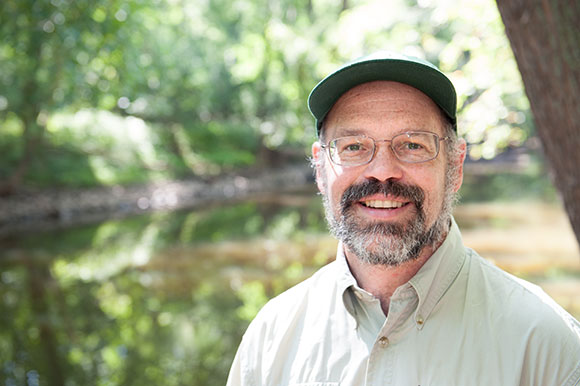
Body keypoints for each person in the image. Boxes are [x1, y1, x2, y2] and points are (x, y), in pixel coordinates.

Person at [226, 51, 580, 385]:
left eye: (413, 145)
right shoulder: (270, 339)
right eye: (353, 146)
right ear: (320, 168)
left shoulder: (548, 345)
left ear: (454, 167)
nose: (382, 172)